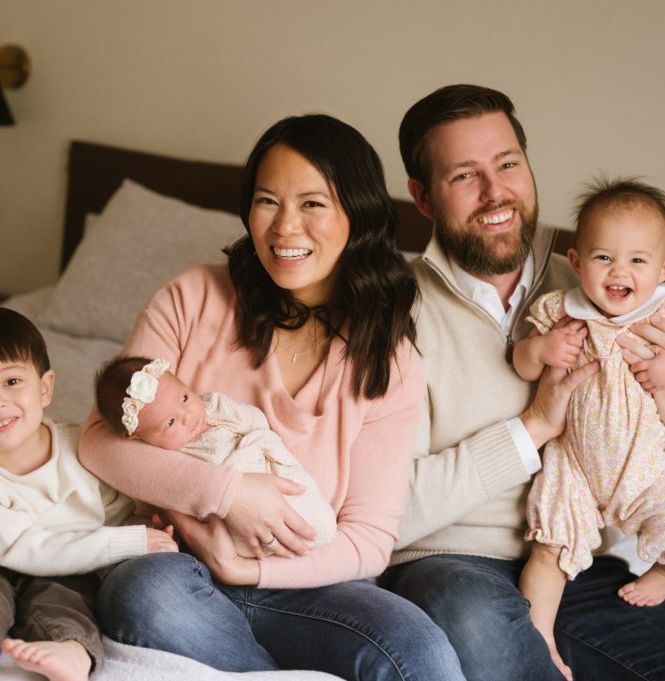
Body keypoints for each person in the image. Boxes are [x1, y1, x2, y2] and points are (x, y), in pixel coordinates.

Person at [379, 84, 665, 681]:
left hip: (578, 558)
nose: (495, 192)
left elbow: (654, 469)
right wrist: (531, 426)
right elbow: (383, 511)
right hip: (451, 564)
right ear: (423, 198)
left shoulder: (607, 286)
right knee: (479, 622)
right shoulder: (390, 308)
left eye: (508, 163)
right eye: (464, 175)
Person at [78, 114, 465, 680]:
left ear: (355, 213)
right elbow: (98, 444)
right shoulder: (192, 299)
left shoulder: (389, 360)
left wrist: (245, 571)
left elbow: (370, 539)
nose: (285, 228)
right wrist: (226, 493)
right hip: (177, 571)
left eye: (312, 203)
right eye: (267, 201)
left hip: (311, 586)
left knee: (421, 651)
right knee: (143, 593)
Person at [514, 178, 665, 679]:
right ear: (575, 260)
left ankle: (662, 573)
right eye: (602, 257)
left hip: (644, 463)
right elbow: (523, 364)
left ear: (664, 269)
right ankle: (540, 636)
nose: (619, 271)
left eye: (638, 260)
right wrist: (540, 352)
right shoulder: (561, 313)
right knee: (549, 548)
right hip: (573, 462)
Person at [0, 306, 178, 681]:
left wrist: (142, 529)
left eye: (12, 382)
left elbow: (113, 510)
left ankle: (70, 651)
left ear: (45, 387)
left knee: (67, 599)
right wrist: (124, 542)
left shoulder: (82, 447)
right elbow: (25, 548)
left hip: (65, 561)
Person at [93, 354, 337, 554]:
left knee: (312, 509)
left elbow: (256, 421)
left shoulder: (216, 405)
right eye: (170, 422)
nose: (188, 416)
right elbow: (190, 502)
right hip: (231, 527)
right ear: (137, 438)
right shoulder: (171, 460)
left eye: (185, 398)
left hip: (268, 466)